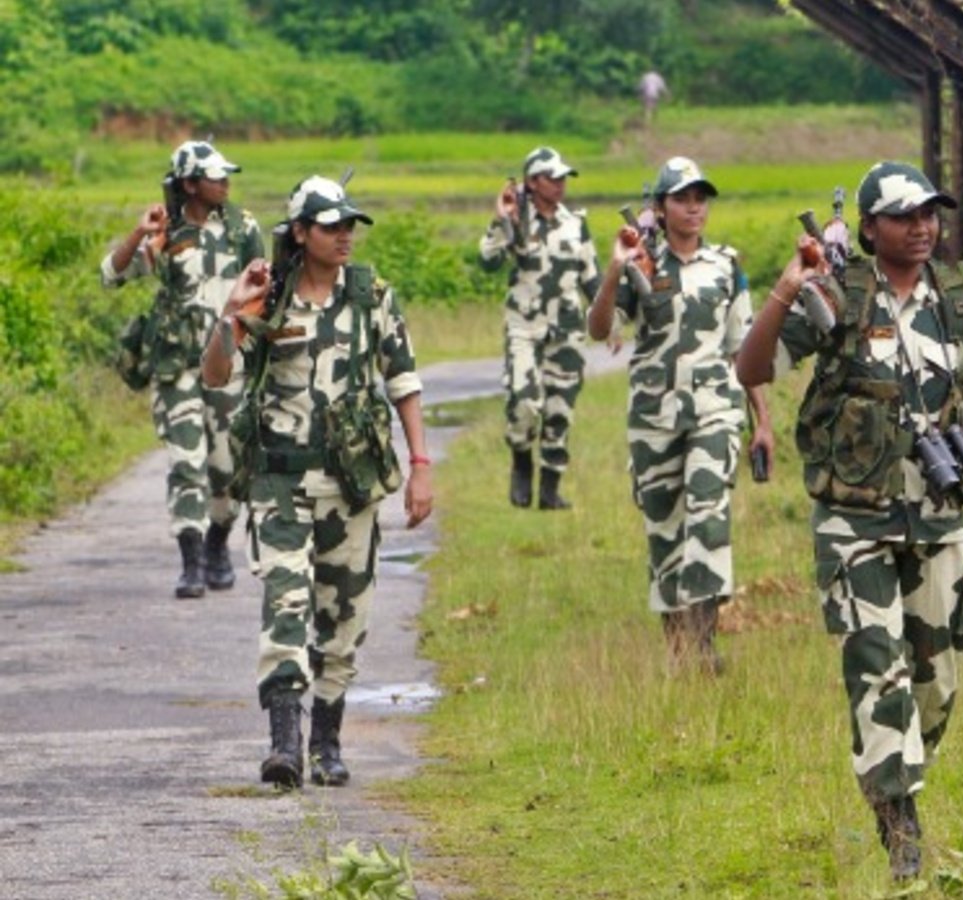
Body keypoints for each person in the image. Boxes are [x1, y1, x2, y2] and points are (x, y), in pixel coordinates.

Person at [734, 161, 963, 881]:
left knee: (938, 681)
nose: (922, 226)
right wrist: (786, 291)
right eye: (904, 216)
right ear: (868, 228)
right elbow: (751, 368)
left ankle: (895, 775)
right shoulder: (836, 294)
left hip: (938, 516)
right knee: (877, 670)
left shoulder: (961, 300)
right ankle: (900, 826)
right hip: (853, 520)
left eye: (930, 213)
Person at [200, 176, 433, 789]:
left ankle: (327, 739)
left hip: (351, 487)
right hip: (280, 484)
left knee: (344, 620)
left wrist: (421, 466)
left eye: (349, 225)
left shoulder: (372, 296)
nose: (344, 236)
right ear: (299, 233)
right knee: (285, 606)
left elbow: (402, 381)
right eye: (330, 226)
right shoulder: (268, 299)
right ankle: (285, 746)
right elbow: (216, 372)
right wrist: (232, 312)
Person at [587, 156, 773, 673]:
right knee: (664, 526)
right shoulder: (641, 267)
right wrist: (613, 270)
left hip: (715, 408)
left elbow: (744, 347)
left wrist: (762, 422)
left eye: (700, 198)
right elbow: (601, 328)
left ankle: (705, 640)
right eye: (682, 198)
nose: (694, 207)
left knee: (709, 515)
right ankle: (677, 646)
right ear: (661, 207)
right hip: (654, 415)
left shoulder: (727, 266)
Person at [101, 139, 264, 598]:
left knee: (227, 467)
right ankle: (191, 562)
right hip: (177, 367)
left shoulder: (242, 228)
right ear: (191, 184)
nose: (226, 184)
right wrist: (138, 234)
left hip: (228, 364)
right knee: (185, 463)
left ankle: (217, 543)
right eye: (216, 177)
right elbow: (112, 275)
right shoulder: (165, 233)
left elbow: (262, 288)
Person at [479, 147, 604, 510]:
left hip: (567, 329)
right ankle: (520, 461)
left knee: (560, 410)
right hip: (524, 327)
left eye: (564, 178)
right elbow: (487, 262)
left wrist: (608, 322)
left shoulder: (575, 223)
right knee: (524, 401)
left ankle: (550, 490)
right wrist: (503, 220)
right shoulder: (515, 218)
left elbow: (591, 277)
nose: (561, 184)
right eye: (553, 178)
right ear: (533, 182)